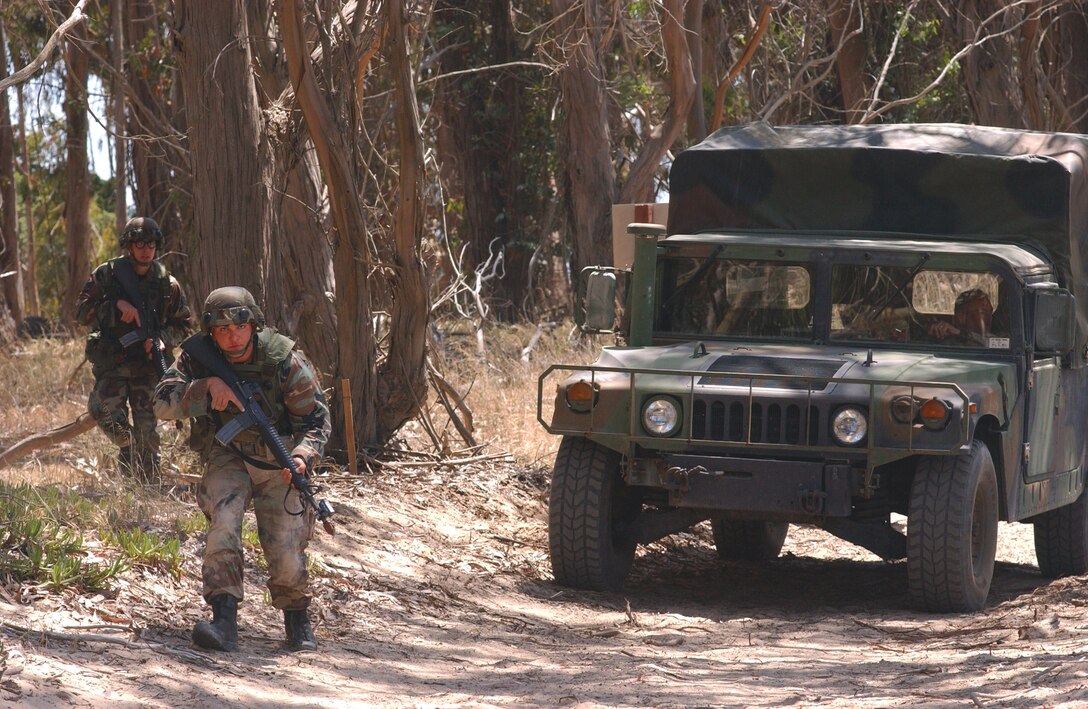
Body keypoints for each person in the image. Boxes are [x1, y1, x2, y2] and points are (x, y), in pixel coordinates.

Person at [153, 287, 331, 653]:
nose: (232, 336)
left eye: (240, 327)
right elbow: (160, 402)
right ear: (210, 333)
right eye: (222, 330)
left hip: (277, 458)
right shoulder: (196, 359)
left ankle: (297, 618)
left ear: (253, 325)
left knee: (285, 542)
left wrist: (301, 456)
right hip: (227, 453)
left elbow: (316, 420)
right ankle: (224, 620)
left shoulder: (284, 360)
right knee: (224, 521)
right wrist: (205, 387)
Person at [76, 216, 192, 482]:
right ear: (128, 245)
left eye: (151, 243)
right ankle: (127, 447)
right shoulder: (107, 274)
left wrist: (163, 339)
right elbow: (81, 312)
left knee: (147, 432)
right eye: (139, 242)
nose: (145, 249)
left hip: (148, 366)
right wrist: (115, 307)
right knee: (103, 412)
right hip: (113, 363)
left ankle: (145, 487)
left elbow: (183, 324)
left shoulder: (167, 283)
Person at [927, 288, 994, 344]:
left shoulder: (994, 338)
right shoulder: (950, 343)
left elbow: (993, 344)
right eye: (982, 312)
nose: (989, 317)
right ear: (961, 317)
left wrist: (960, 333)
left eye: (990, 311)